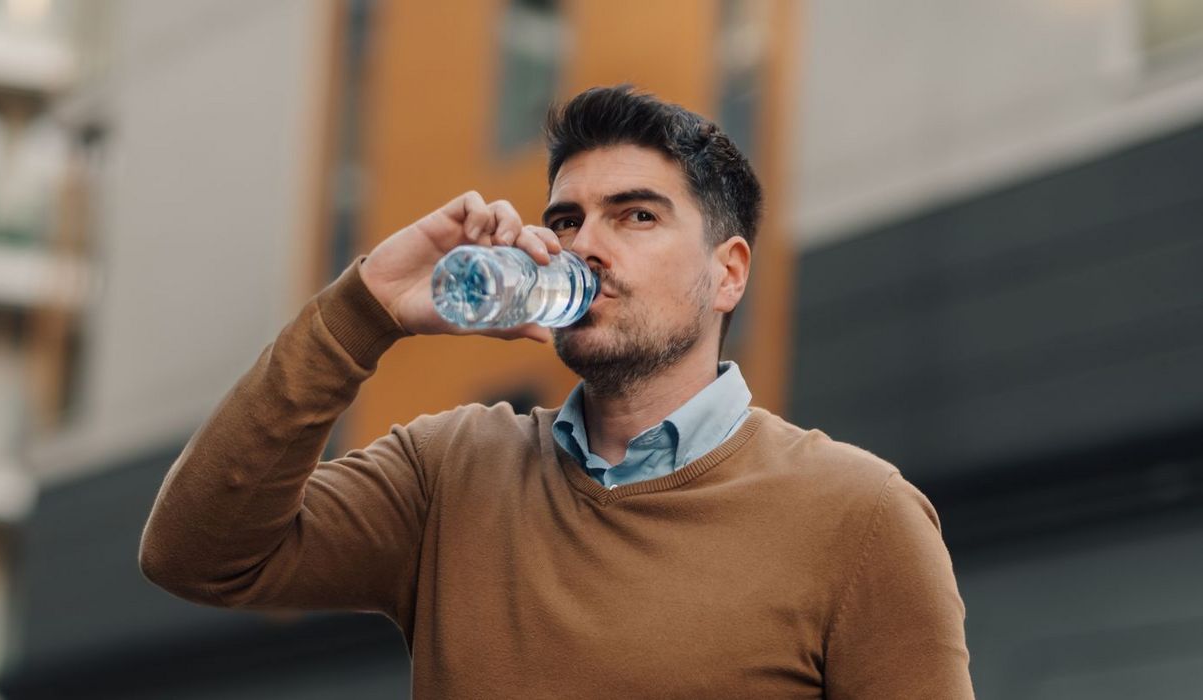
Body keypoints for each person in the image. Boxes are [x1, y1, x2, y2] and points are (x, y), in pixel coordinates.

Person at [140, 85, 974, 698]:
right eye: (568, 219)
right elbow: (197, 556)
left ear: (728, 274)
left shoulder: (860, 516)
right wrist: (365, 311)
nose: (586, 247)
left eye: (636, 216)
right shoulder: (452, 472)